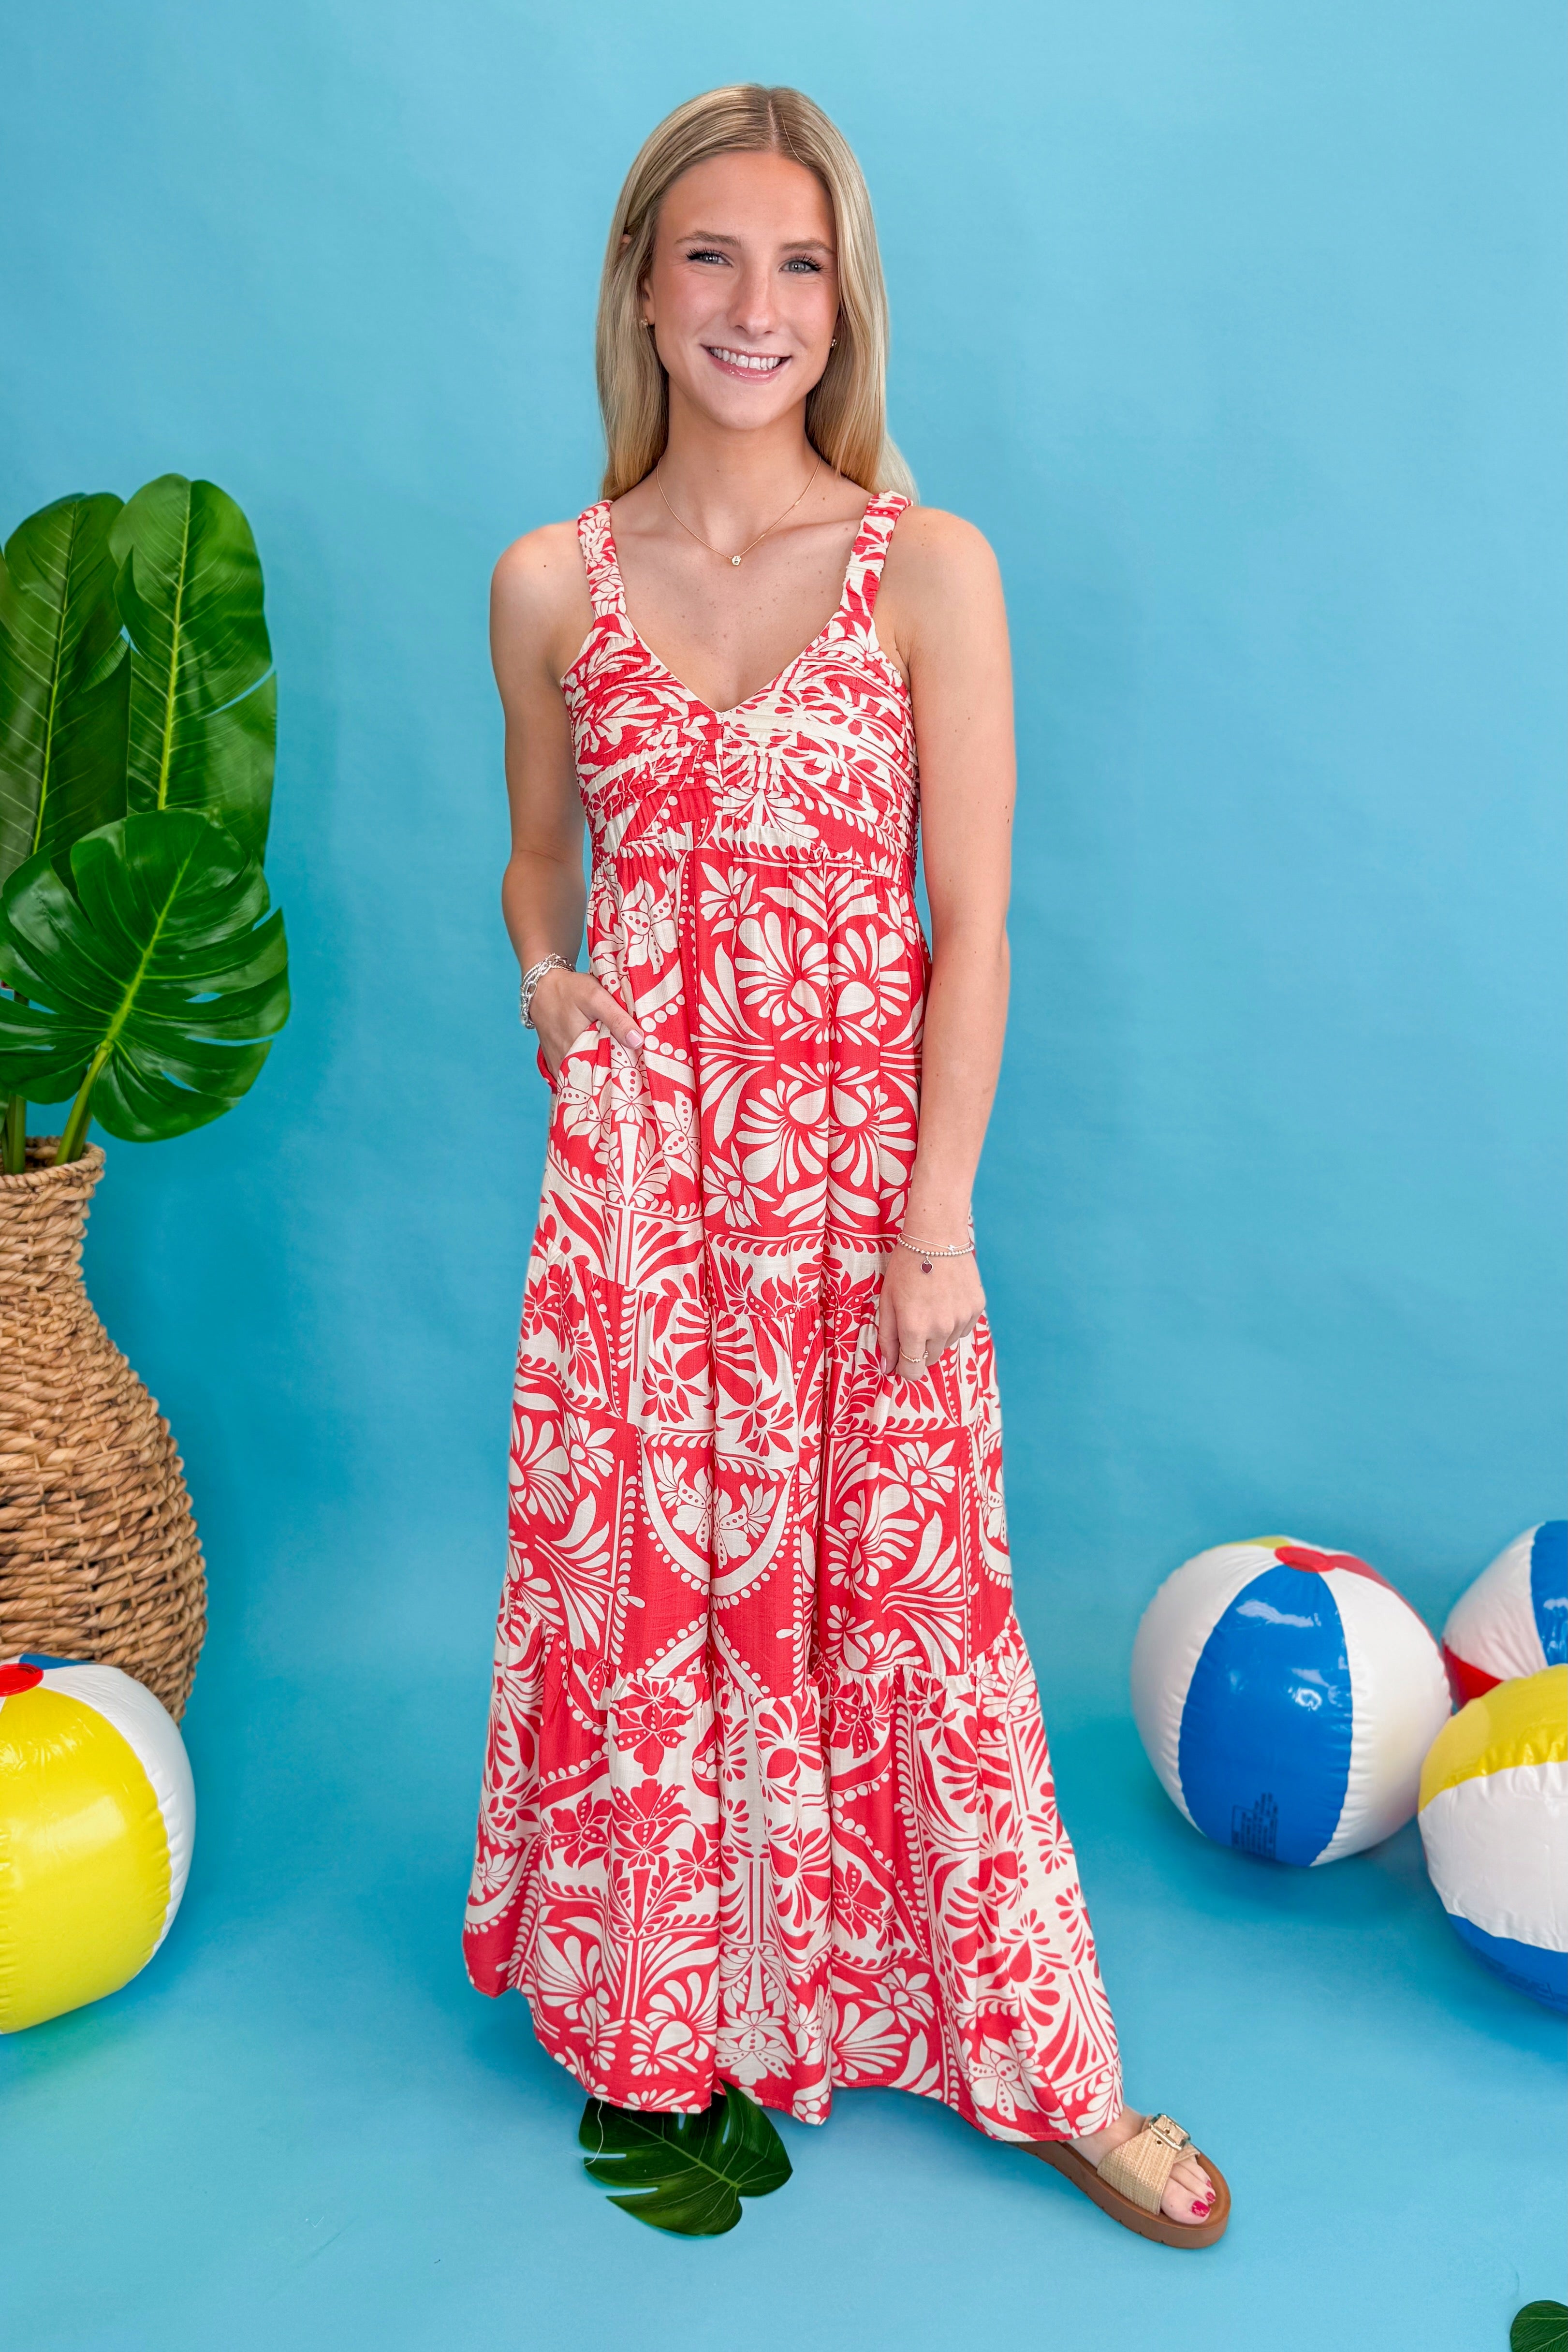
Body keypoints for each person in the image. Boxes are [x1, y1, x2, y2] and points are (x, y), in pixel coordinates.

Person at [464, 82, 1227, 2248]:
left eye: (800, 265)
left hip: (863, 1195)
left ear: (846, 305)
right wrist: (545, 976)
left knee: (911, 1615)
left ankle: (1047, 2067)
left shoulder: (925, 567)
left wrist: (936, 1218)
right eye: (710, 254)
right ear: (639, 283)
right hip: (638, 1198)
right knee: (655, 1619)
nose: (754, 304)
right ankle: (678, 1997)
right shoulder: (550, 580)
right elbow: (536, 865)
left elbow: (970, 917)